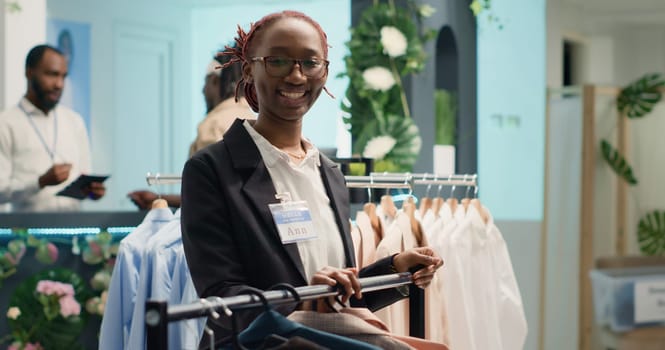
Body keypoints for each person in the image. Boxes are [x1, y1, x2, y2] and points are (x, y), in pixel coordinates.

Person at [180, 10, 443, 344]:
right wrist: (301, 295)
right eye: (277, 61)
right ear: (249, 69)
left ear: (324, 72)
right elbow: (221, 295)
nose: (296, 76)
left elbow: (338, 302)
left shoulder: (329, 173)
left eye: (310, 62)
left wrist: (393, 270)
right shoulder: (211, 170)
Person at [127, 49, 256, 210]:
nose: (203, 90)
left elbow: (208, 195)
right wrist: (159, 199)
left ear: (215, 81)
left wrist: (159, 200)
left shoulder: (214, 124)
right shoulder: (254, 119)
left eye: (206, 83)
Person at [0, 44, 105, 212]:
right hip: (29, 235)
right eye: (52, 75)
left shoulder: (74, 121)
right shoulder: (6, 123)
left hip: (73, 232)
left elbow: (85, 179)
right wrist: (39, 182)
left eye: (64, 76)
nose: (59, 84)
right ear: (29, 72)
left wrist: (92, 192)